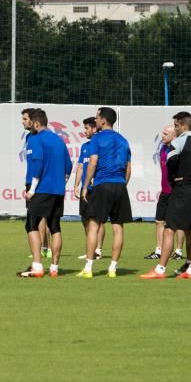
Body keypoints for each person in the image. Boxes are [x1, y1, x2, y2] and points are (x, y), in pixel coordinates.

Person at [140, 112, 191, 280]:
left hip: (182, 190)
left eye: (177, 126)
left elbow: (170, 160)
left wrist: (174, 177)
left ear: (184, 126)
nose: (176, 129)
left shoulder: (179, 141)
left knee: (169, 229)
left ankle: (160, 269)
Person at [78, 107, 130, 279]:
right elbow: (128, 169)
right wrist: (122, 184)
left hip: (102, 184)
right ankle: (113, 268)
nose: (95, 120)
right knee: (118, 227)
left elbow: (93, 162)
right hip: (120, 185)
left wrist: (85, 186)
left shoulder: (97, 138)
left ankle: (88, 267)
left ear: (103, 120)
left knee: (93, 225)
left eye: (97, 117)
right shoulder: (123, 140)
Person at [19, 109, 72, 278]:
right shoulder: (59, 140)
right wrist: (60, 183)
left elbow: (38, 164)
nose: (23, 123)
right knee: (55, 227)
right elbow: (68, 166)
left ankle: (37, 266)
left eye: (26, 120)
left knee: (31, 225)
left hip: (42, 189)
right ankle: (55, 268)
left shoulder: (36, 139)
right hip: (57, 190)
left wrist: (32, 189)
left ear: (36, 123)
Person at [145, 125, 184, 261]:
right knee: (159, 220)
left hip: (176, 191)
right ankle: (159, 250)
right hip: (165, 191)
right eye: (162, 133)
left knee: (179, 223)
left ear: (174, 136)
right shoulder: (163, 148)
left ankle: (178, 252)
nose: (162, 136)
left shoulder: (178, 149)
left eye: (165, 133)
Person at [73, 117, 106, 261]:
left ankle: (98, 250)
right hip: (85, 189)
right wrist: (76, 185)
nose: (84, 131)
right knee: (85, 219)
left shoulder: (101, 144)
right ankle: (90, 248)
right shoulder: (85, 146)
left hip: (97, 187)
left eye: (87, 128)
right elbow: (81, 166)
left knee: (98, 220)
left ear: (94, 128)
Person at [21, 108, 50, 260]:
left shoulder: (42, 138)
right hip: (30, 180)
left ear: (33, 121)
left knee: (41, 217)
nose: (23, 122)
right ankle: (41, 248)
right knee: (35, 217)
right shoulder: (28, 138)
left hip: (39, 182)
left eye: (25, 119)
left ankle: (44, 248)